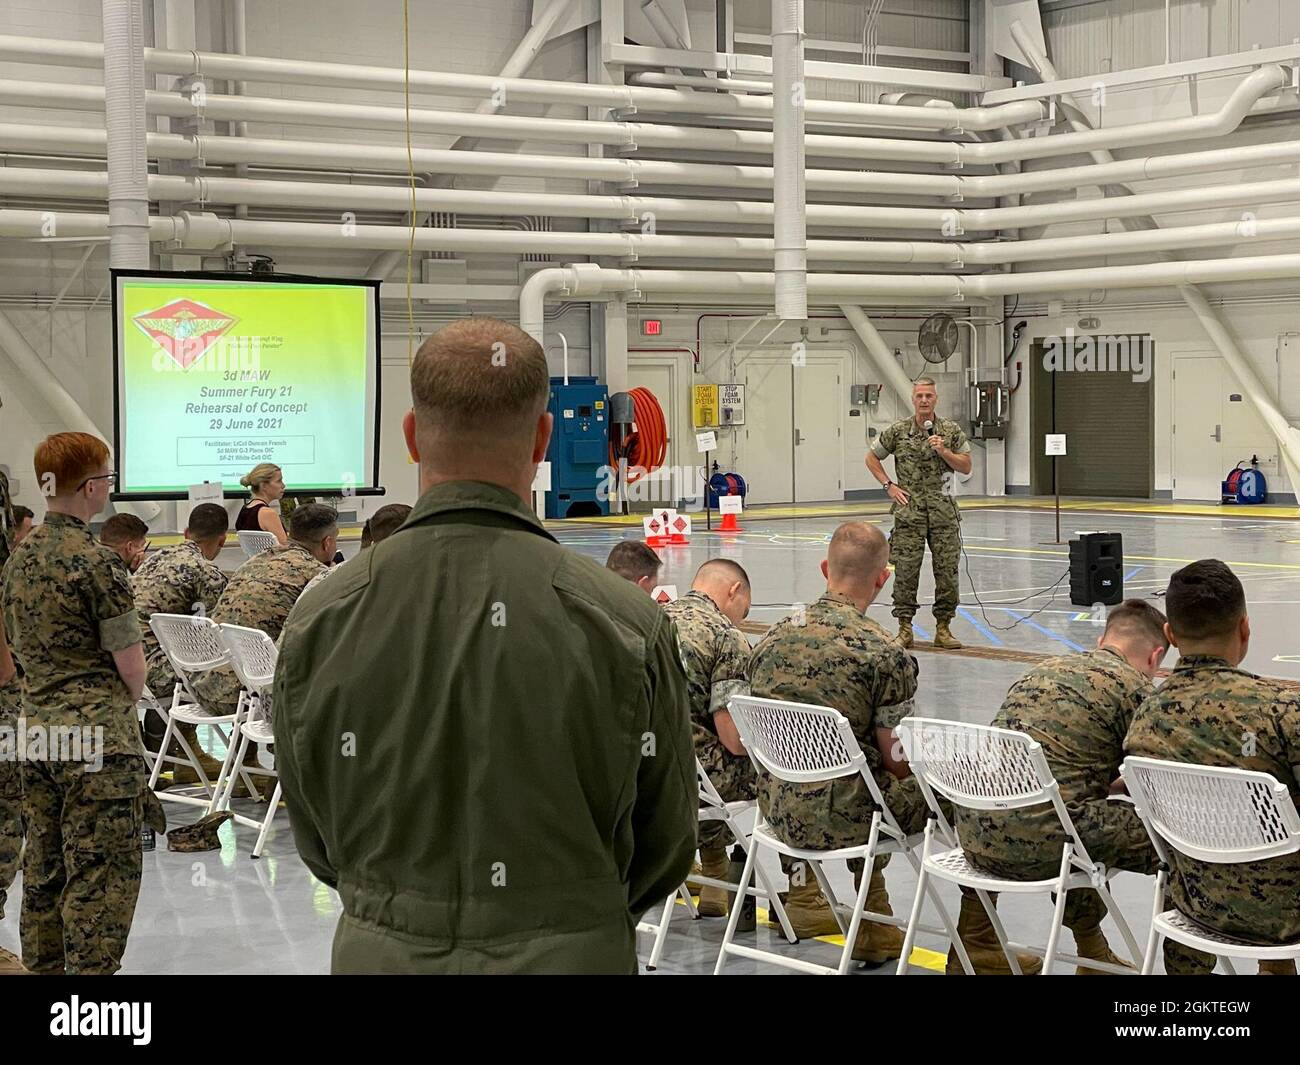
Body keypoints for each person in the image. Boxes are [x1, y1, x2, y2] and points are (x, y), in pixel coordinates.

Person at [274, 316, 696, 974]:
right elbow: (665, 844)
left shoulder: (321, 618)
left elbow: (315, 837)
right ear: (545, 438)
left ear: (411, 438)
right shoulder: (625, 620)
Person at [747, 521, 1040, 972]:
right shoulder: (882, 653)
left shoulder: (770, 637)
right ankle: (978, 944)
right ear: (884, 579)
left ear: (825, 568)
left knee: (859, 777)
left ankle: (869, 920)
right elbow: (898, 763)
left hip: (775, 811)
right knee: (973, 790)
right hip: (849, 822)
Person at [958, 599, 1169, 975]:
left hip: (975, 835)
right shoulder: (1134, 689)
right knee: (1173, 839)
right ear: (1154, 658)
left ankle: (975, 944)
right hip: (1046, 844)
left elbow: (1053, 767)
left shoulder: (1042, 670)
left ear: (1103, 638)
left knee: (1070, 813)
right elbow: (1160, 779)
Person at [1, 432, 147, 975]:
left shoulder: (18, 558)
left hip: (33, 732)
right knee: (101, 874)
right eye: (107, 479)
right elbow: (131, 668)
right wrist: (114, 707)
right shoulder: (98, 563)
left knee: (44, 867)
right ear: (91, 488)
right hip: (97, 741)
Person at [1125, 560, 1300, 976]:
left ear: (1170, 635)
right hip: (1285, 912)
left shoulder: (1144, 719)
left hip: (1192, 904)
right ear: (1244, 629)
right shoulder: (1282, 712)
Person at [662, 559, 753, 919]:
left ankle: (712, 870)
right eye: (742, 611)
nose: (739, 620)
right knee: (782, 773)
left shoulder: (648, 619)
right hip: (694, 777)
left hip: (639, 772)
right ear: (735, 591)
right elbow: (732, 738)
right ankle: (806, 897)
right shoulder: (725, 635)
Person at [192, 503, 335, 719]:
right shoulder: (315, 574)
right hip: (250, 696)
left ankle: (249, 753)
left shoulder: (256, 560)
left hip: (206, 685)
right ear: (328, 543)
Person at [865, 377, 972, 651]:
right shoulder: (899, 431)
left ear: (936, 399)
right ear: (913, 400)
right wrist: (889, 486)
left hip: (943, 514)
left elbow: (966, 466)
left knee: (947, 572)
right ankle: (904, 628)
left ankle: (944, 628)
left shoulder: (949, 430)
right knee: (906, 572)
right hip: (909, 514)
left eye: (929, 396)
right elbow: (871, 457)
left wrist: (944, 450)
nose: (924, 400)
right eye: (920, 396)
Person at [132, 503, 230, 776]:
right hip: (158, 674)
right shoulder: (206, 573)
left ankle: (180, 753)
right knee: (232, 666)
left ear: (186, 532)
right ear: (222, 540)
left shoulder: (153, 558)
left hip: (126, 663)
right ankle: (247, 762)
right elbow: (221, 631)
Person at [236, 463, 288, 543]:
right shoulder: (268, 514)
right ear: (264, 486)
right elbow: (286, 548)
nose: (283, 485)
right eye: (279, 481)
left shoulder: (244, 509)